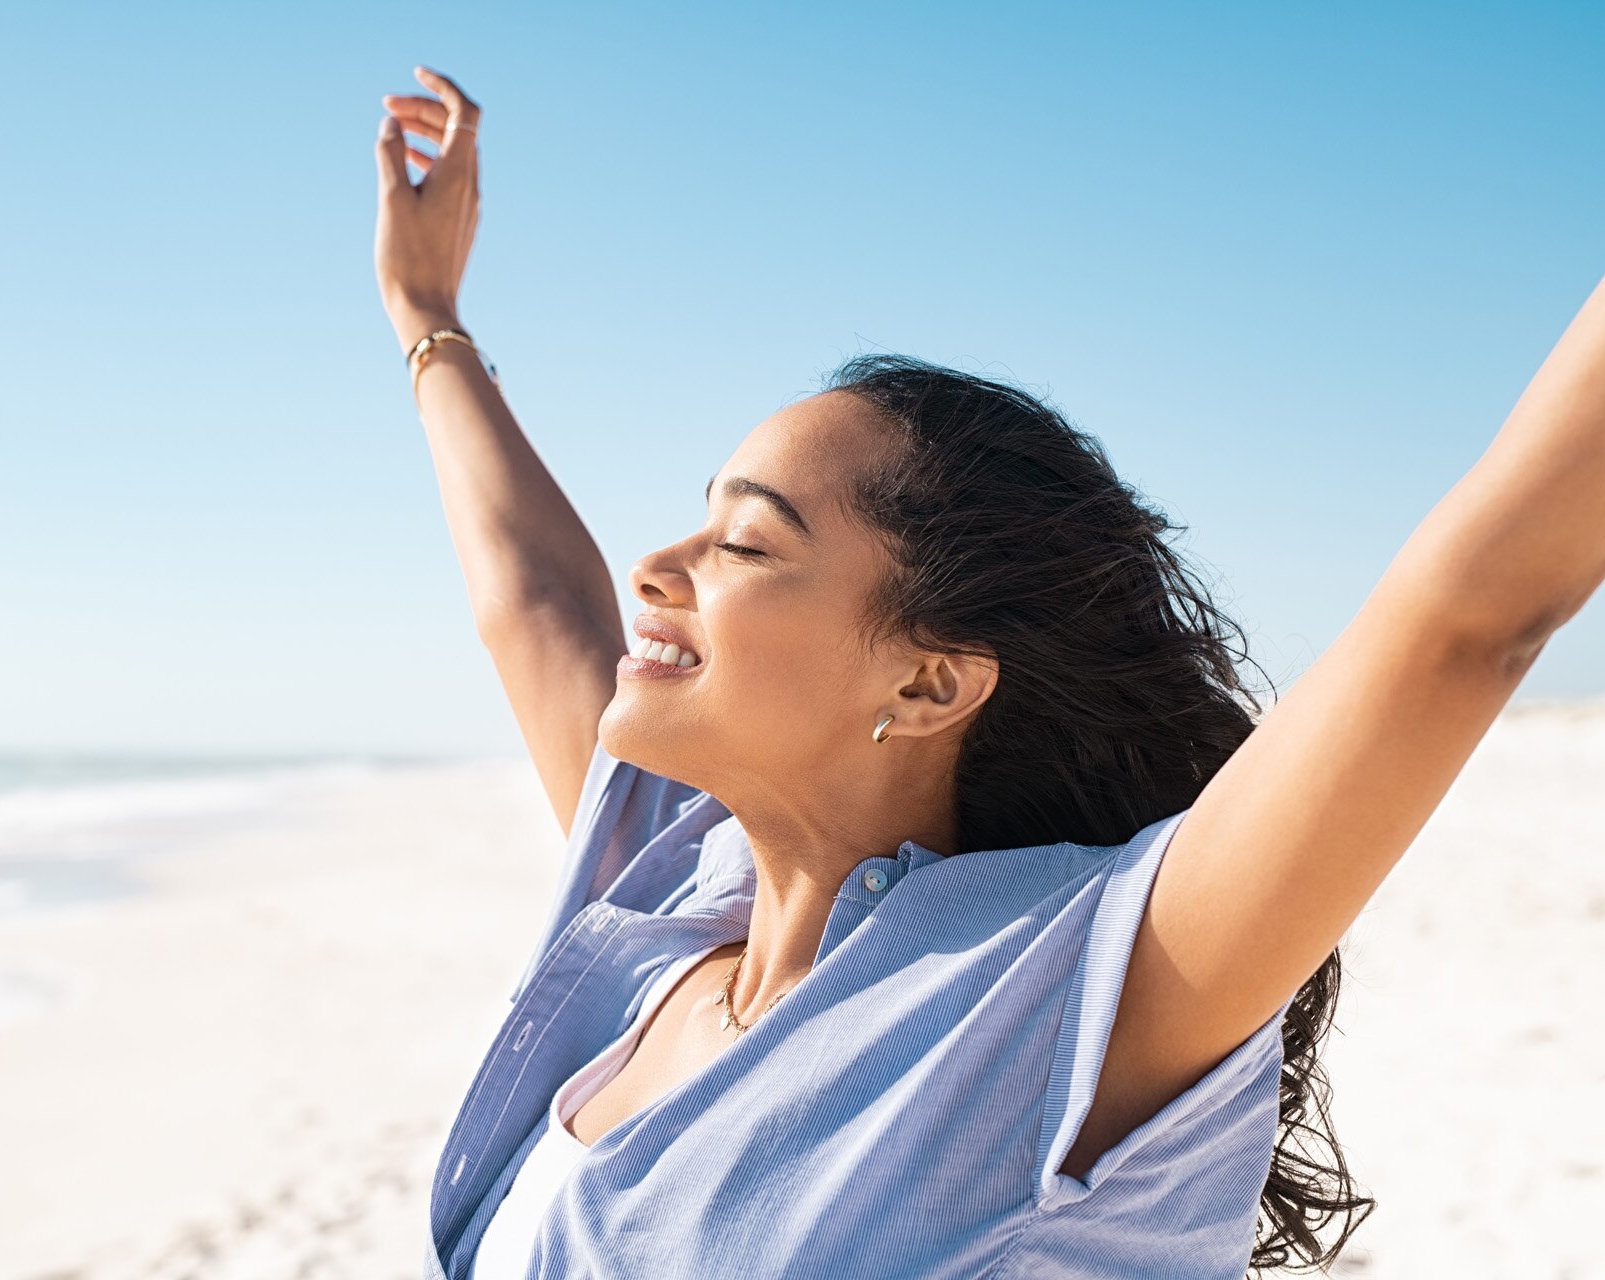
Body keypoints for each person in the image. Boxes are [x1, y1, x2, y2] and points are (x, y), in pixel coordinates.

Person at [373, 65, 1604, 1280]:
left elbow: (1465, 617)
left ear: (928, 684)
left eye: (746, 541)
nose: (658, 563)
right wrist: (425, 310)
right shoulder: (678, 885)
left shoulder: (1055, 999)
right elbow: (533, 601)